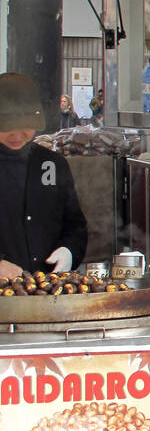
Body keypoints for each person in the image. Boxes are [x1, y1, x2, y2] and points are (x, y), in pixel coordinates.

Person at [0, 73, 88, 280]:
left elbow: (76, 226)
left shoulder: (52, 165)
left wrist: (68, 252)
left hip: (46, 292)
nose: (17, 136)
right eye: (8, 129)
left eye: (25, 128)